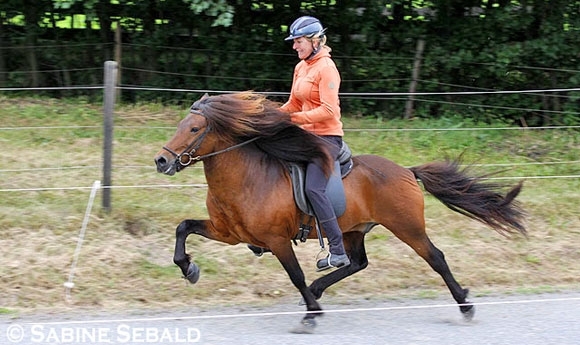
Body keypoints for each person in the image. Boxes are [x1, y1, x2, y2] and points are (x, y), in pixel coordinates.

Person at [281, 15, 350, 271]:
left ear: (315, 41)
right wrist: (274, 116)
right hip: (306, 135)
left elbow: (329, 111)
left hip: (327, 138)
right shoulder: (301, 67)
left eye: (298, 41)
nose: (294, 46)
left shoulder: (326, 68)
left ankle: (338, 251)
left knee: (313, 189)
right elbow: (293, 104)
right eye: (294, 41)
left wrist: (295, 119)